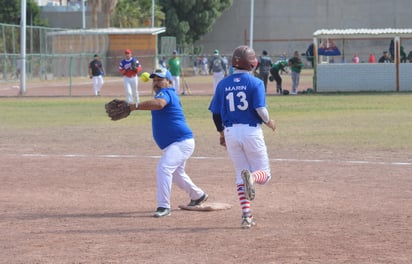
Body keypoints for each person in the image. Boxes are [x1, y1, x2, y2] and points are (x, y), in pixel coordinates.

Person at [208, 45, 276, 229]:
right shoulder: (256, 83)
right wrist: (270, 122)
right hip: (251, 131)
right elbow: (260, 109)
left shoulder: (223, 83)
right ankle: (253, 178)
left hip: (230, 132)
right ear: (253, 63)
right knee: (265, 174)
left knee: (240, 174)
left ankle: (246, 216)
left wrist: (221, 133)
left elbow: (215, 114)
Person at [129, 68, 208, 217]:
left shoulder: (166, 93)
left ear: (169, 82)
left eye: (160, 79)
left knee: (164, 168)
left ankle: (163, 206)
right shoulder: (165, 93)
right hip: (177, 143)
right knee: (178, 174)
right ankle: (198, 195)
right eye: (155, 80)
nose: (157, 82)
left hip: (181, 142)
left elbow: (159, 104)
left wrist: (134, 106)